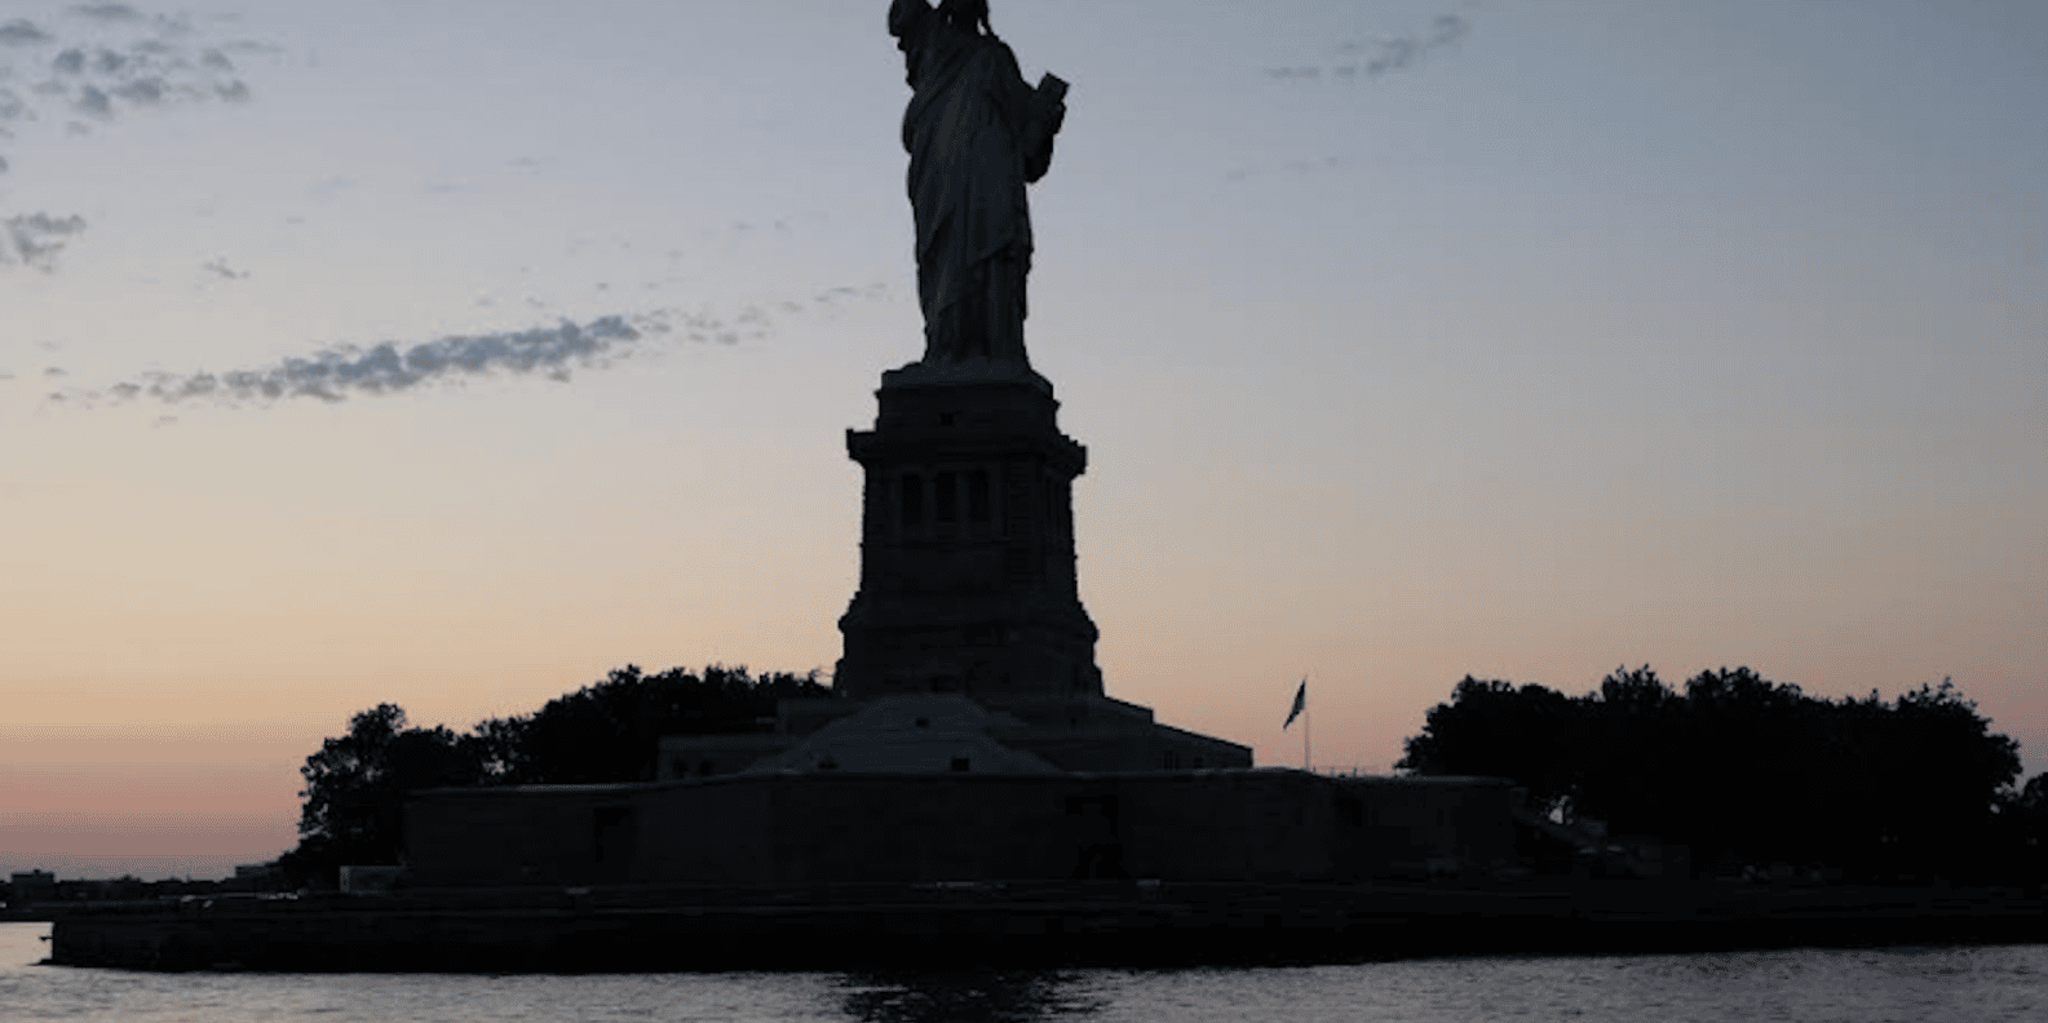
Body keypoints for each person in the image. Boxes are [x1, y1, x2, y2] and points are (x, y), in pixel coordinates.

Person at [889, 0, 1065, 365]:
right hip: (942, 182)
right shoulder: (934, 47)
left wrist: (1045, 111)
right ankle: (946, 345)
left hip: (990, 180)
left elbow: (1028, 135)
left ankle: (995, 347)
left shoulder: (994, 57)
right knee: (946, 259)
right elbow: (903, 13)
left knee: (993, 255)